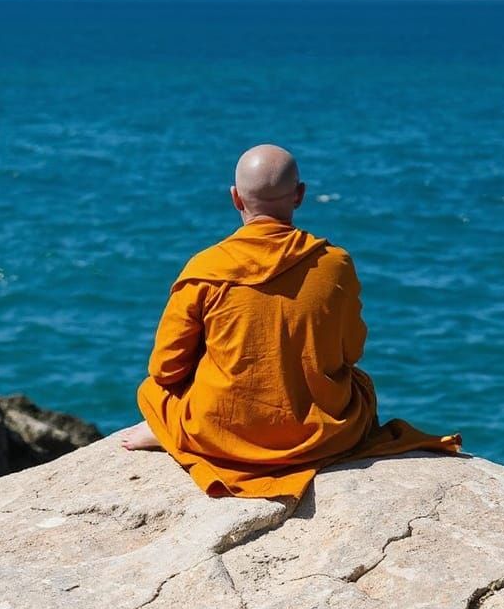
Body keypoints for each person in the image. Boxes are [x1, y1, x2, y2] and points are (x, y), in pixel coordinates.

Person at [121, 144, 460, 497]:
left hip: (223, 432)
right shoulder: (334, 264)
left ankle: (171, 430)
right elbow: (351, 351)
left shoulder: (204, 270)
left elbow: (166, 369)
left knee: (152, 390)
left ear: (236, 199)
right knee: (360, 385)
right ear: (299, 195)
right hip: (319, 433)